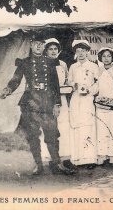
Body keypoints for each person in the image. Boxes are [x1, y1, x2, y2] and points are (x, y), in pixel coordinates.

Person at [0, 38, 73, 175]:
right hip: (30, 103)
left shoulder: (51, 62)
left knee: (51, 134)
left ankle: (56, 164)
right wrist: (8, 89)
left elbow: (55, 85)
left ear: (43, 46)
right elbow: (16, 79)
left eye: (41, 44)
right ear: (32, 45)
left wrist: (57, 104)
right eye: (36, 44)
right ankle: (38, 165)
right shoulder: (24, 62)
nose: (39, 47)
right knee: (33, 135)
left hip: (47, 103)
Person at [40, 38, 73, 170]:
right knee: (49, 128)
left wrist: (67, 87)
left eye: (55, 49)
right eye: (50, 49)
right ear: (46, 51)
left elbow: (66, 81)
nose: (53, 52)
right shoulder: (42, 64)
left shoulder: (63, 64)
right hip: (48, 100)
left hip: (62, 100)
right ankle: (50, 159)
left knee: (64, 127)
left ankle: (65, 158)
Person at [67, 40, 99, 168]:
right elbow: (69, 81)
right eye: (78, 51)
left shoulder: (93, 66)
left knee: (88, 126)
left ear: (87, 52)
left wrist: (90, 90)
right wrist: (74, 85)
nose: (80, 53)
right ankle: (78, 158)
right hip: (76, 99)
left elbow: (97, 83)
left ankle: (90, 158)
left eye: (83, 51)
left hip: (87, 99)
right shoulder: (73, 67)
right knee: (77, 126)